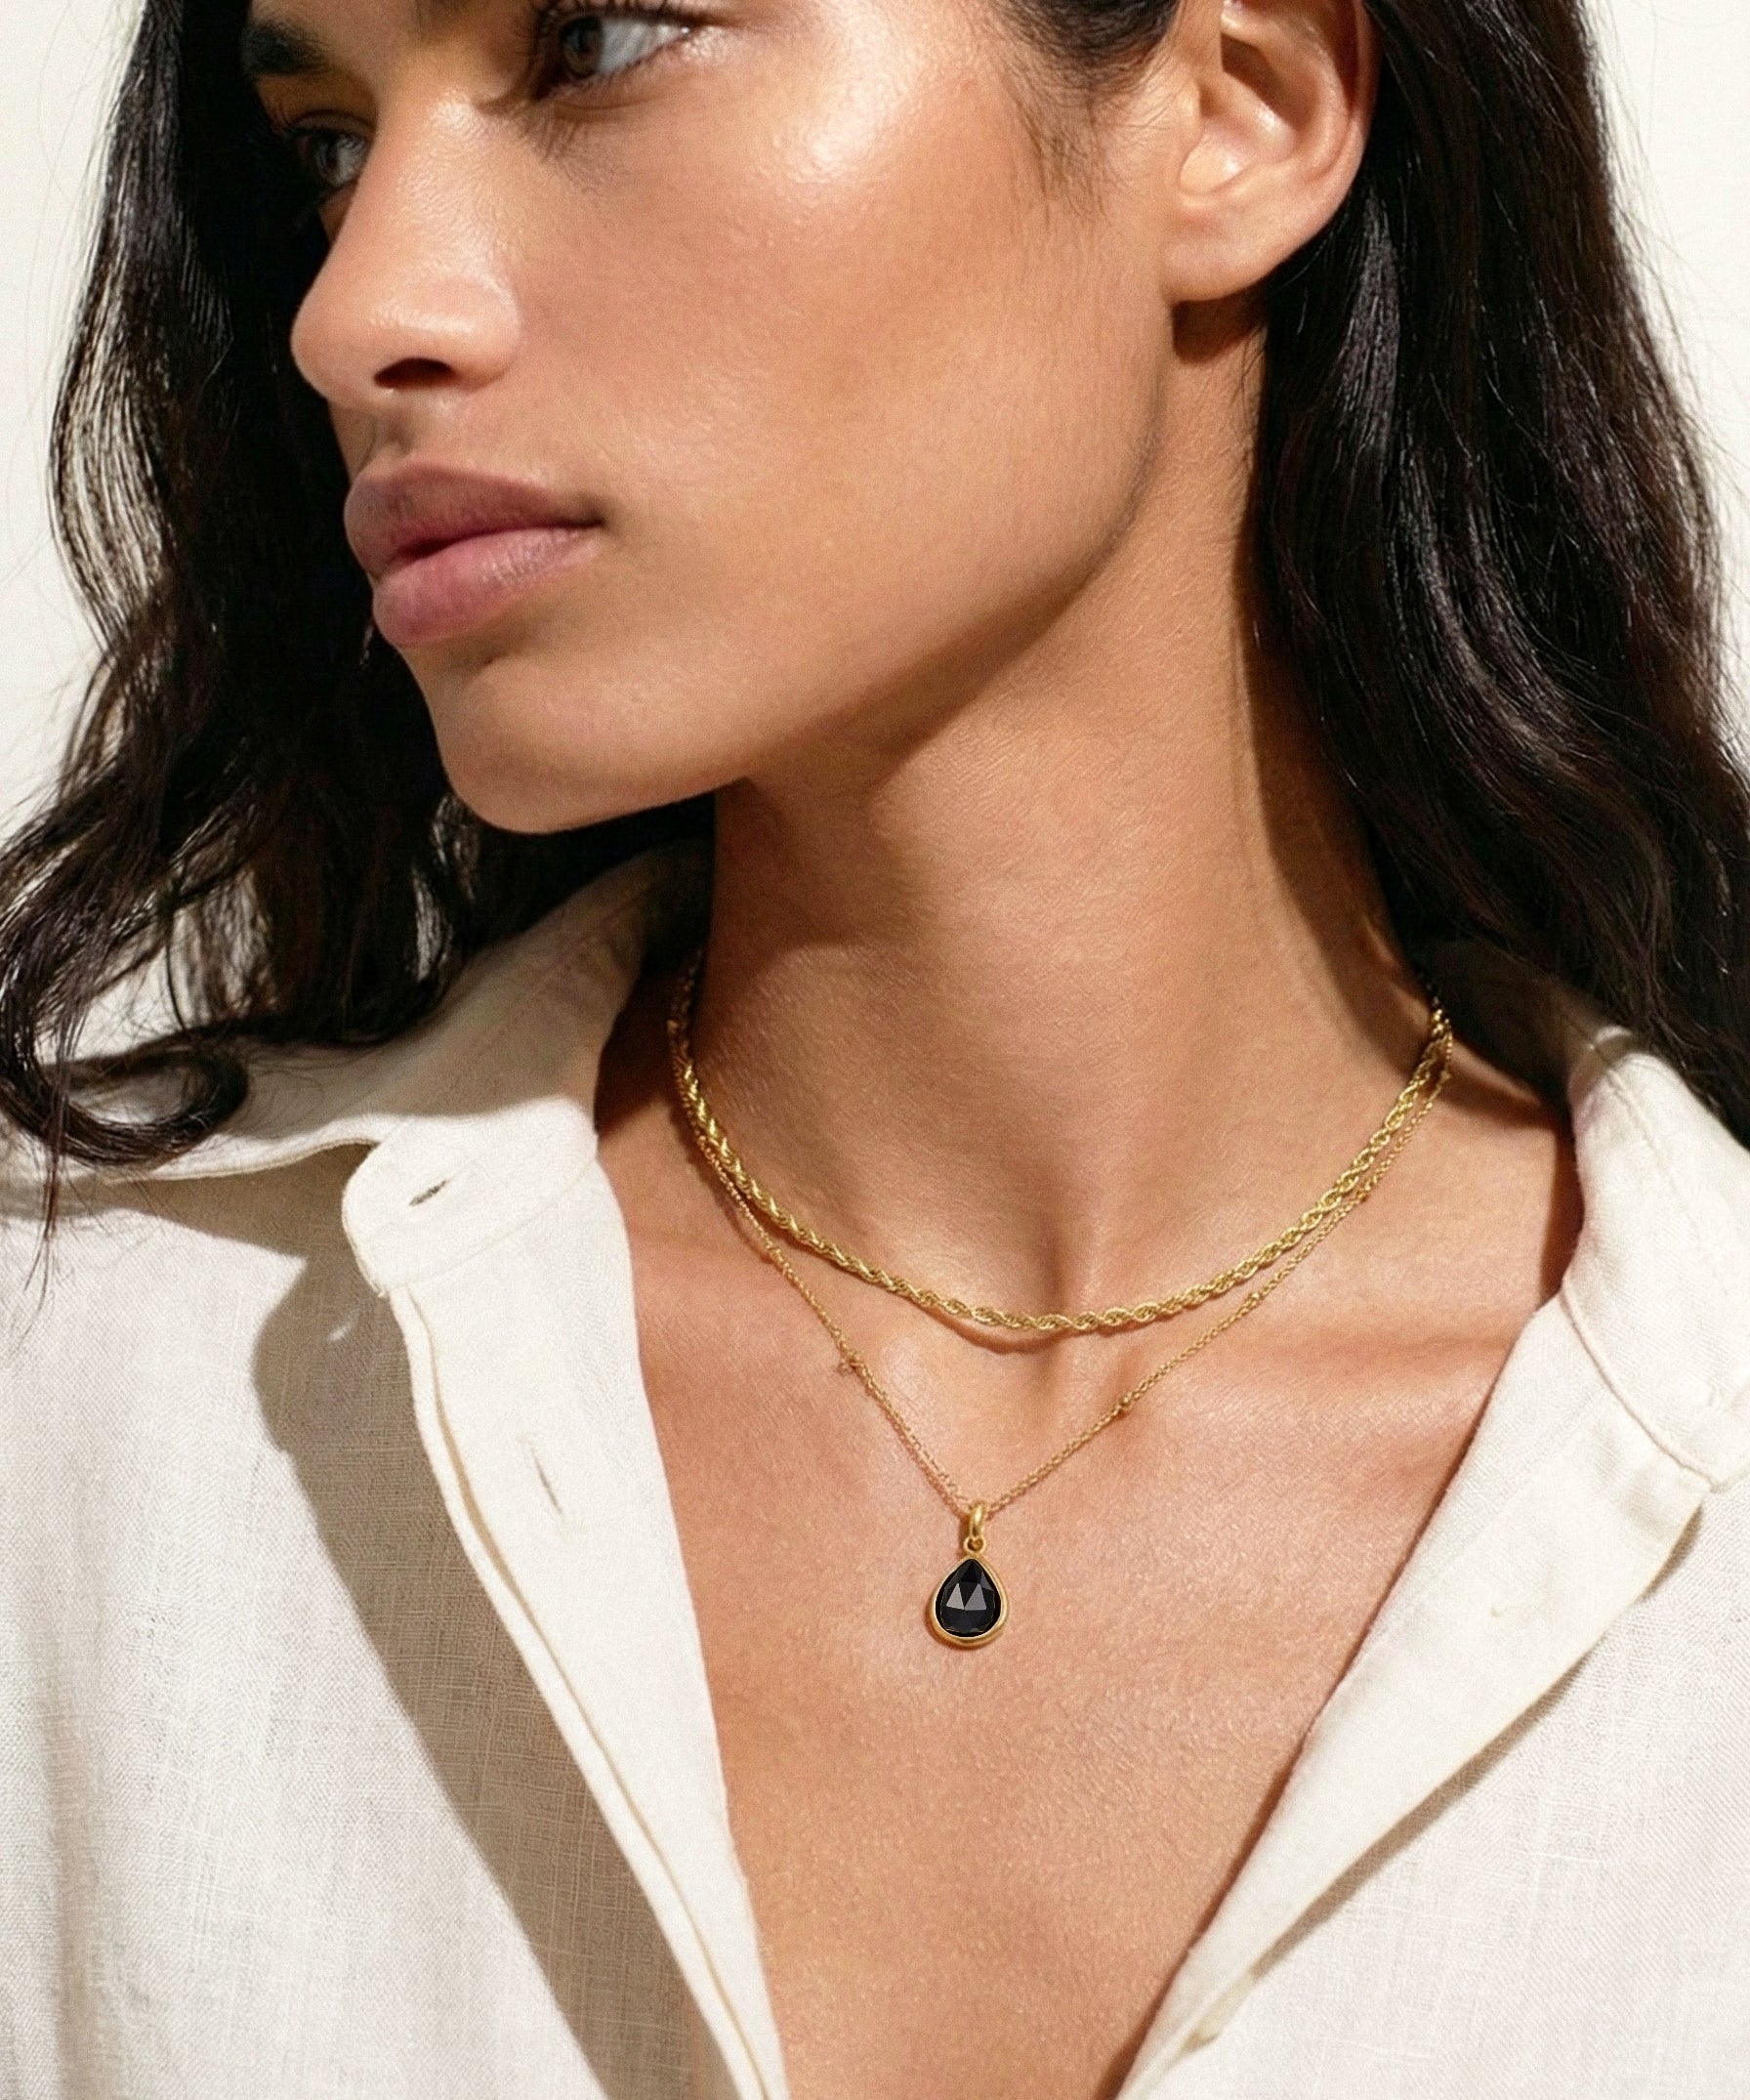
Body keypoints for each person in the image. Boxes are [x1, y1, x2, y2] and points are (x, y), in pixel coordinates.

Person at [3, 0, 1748, 2093]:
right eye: (320, 146)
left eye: (599, 41)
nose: (359, 306)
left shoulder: (1681, 1464)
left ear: (1235, 110)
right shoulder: (85, 1399)